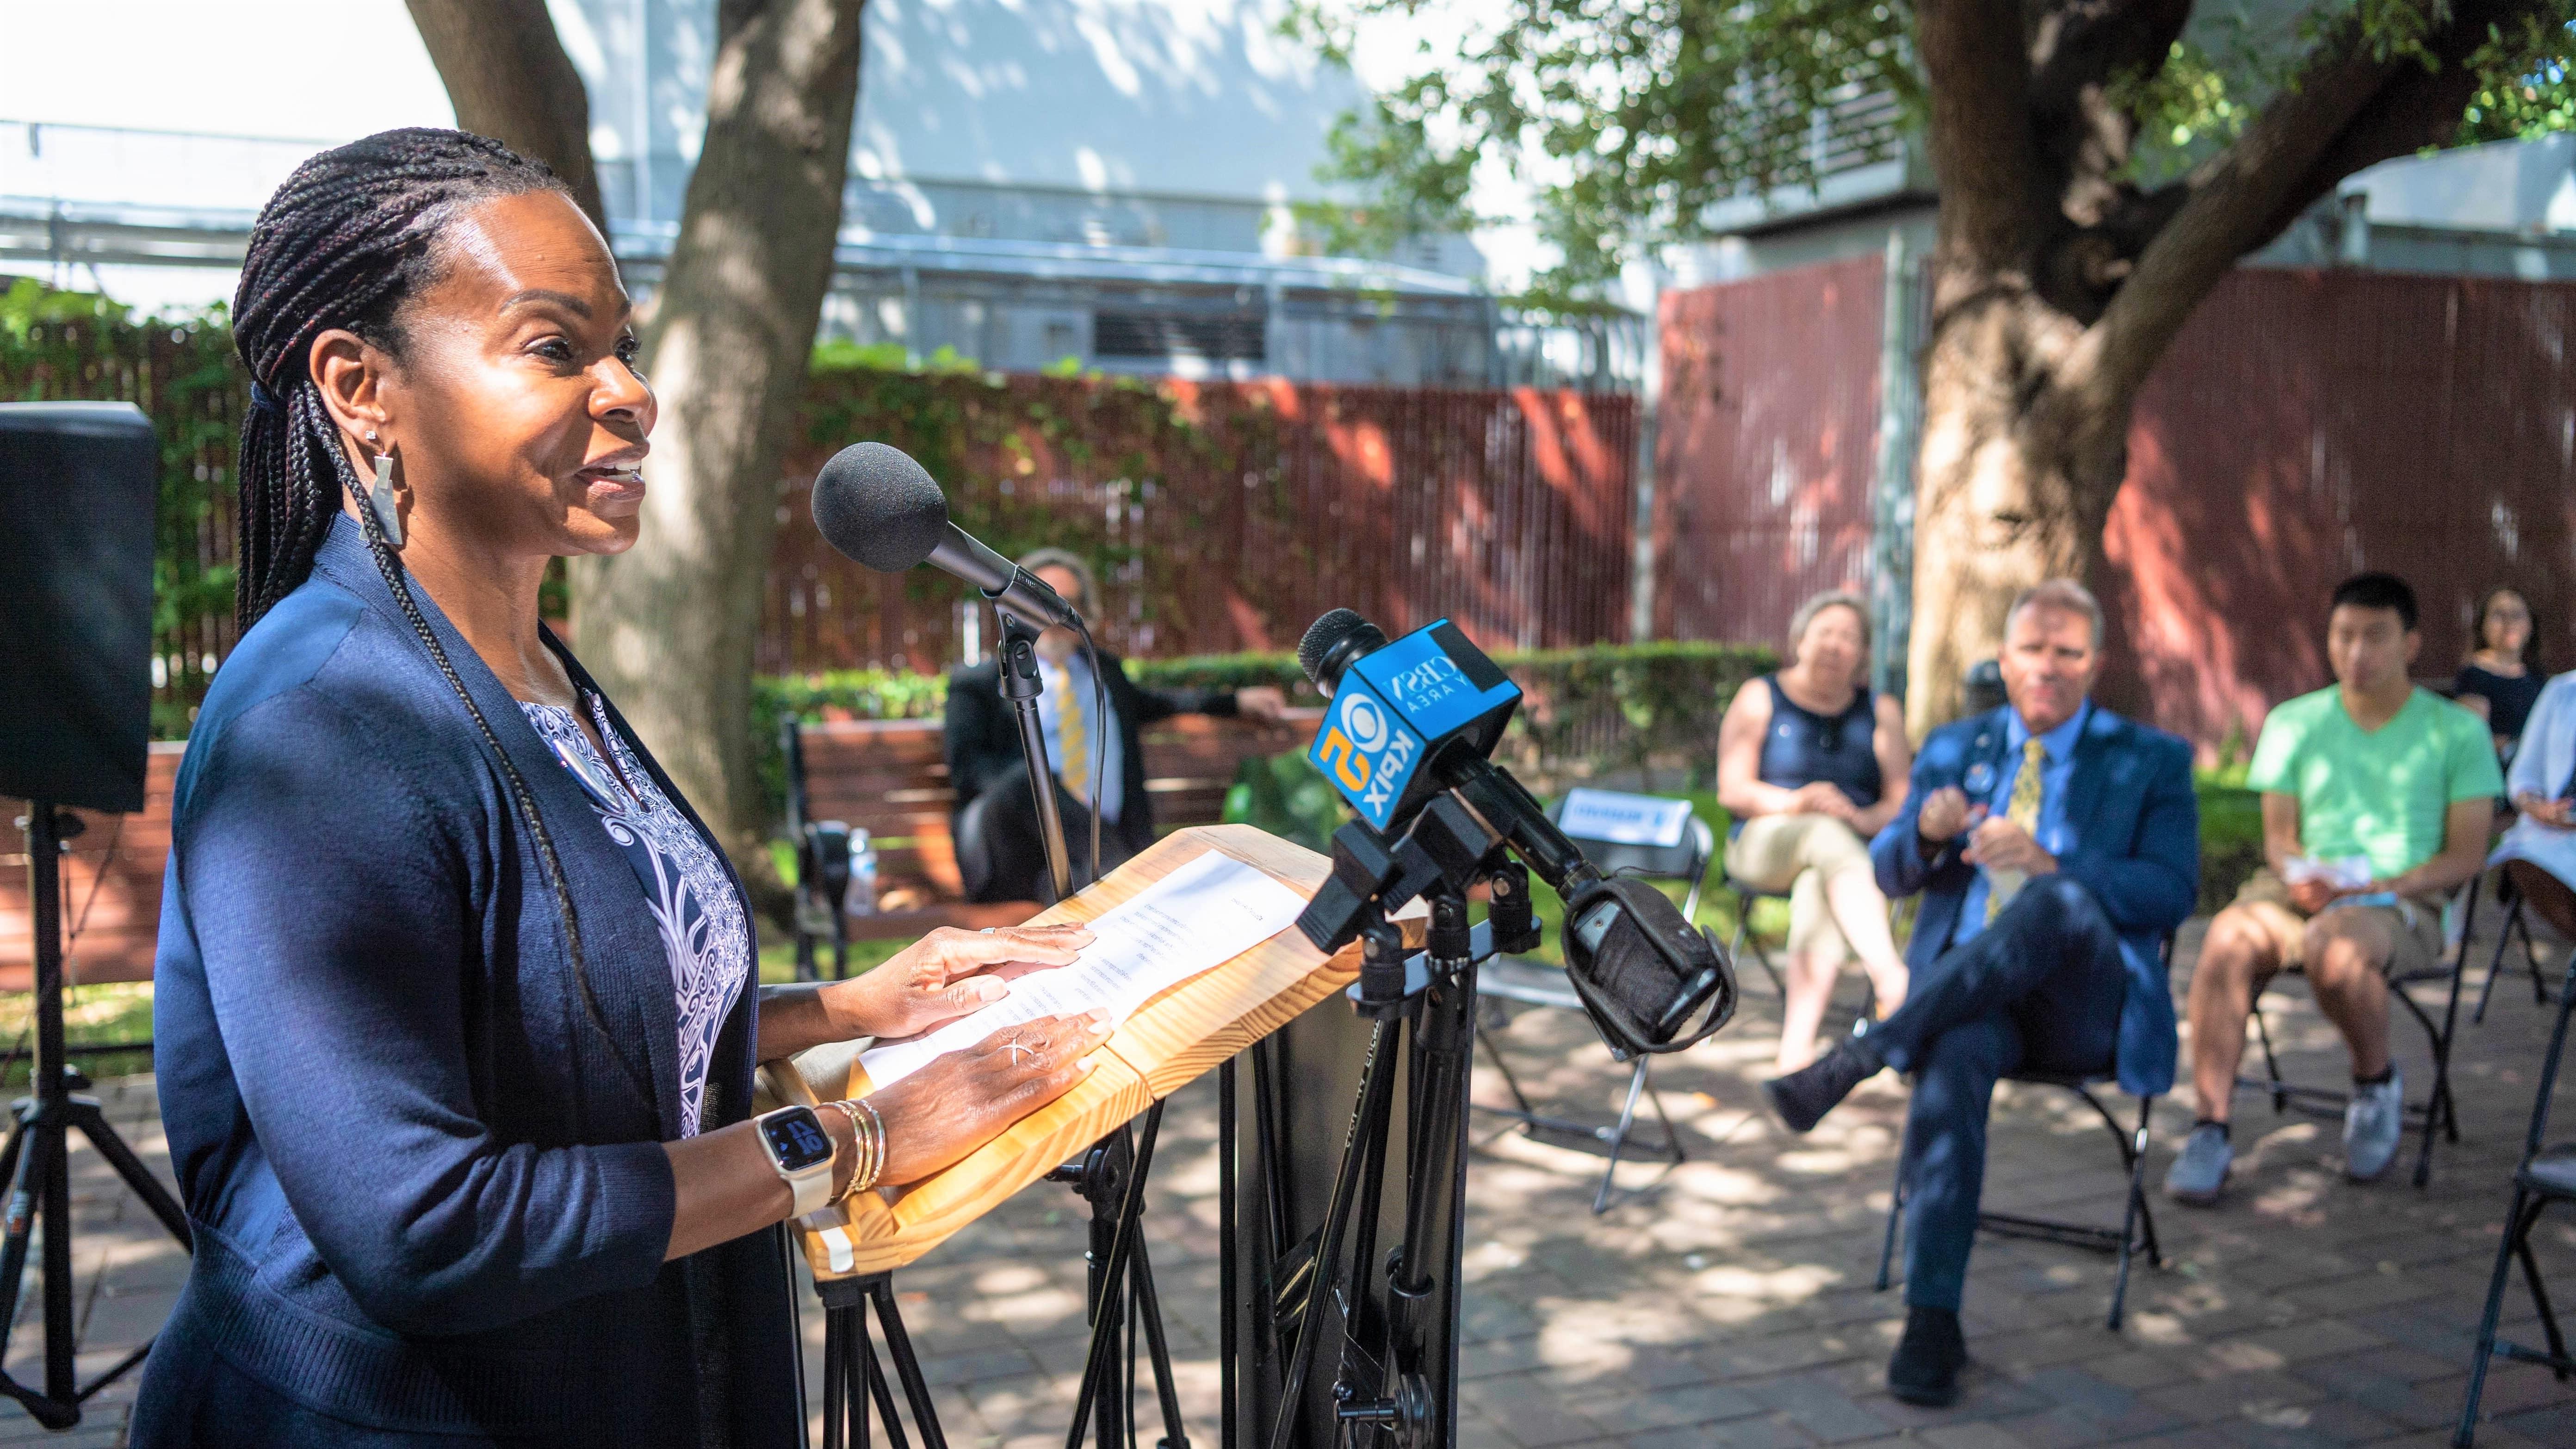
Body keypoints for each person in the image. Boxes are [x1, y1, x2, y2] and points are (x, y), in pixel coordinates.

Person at [136, 130, 1111, 1448]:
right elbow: (426, 1221)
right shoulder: (319, 726)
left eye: (626, 346)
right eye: (556, 348)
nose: (632, 393)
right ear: (360, 384)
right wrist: (854, 1136)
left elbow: (571, 1022)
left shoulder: (536, 668)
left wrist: (851, 1002)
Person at [1761, 580, 2198, 1408]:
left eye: (2068, 652)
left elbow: (2171, 892)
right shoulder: (1958, 744)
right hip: (1974, 1004)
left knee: (2057, 900)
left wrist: (2050, 863)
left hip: (2083, 1009)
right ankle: (1931, 1318)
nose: (2048, 667)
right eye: (2032, 649)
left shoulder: (2151, 758)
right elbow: (1888, 871)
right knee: (1956, 1051)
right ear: (2004, 658)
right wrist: (1924, 833)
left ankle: (1866, 1051)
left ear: (2094, 663)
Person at [2166, 572, 2502, 1207]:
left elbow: (2466, 855)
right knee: (2227, 937)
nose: (2356, 653)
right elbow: (2279, 839)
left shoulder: (2456, 732)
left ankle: (2375, 1084)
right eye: (2343, 636)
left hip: (2405, 898)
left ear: (2411, 644)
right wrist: (2303, 874)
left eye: (2375, 637)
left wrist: (2385, 884)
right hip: (2304, 889)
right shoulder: (2296, 722)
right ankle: (2210, 1126)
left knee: (2337, 949)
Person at [944, 547, 1285, 902]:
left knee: (1078, 879)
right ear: (1014, 610)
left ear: (1083, 613)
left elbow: (1159, 703)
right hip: (1013, 852)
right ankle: (1122, 880)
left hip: (1095, 849)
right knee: (1027, 780)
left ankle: (1106, 876)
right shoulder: (978, 685)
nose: (1051, 617)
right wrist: (1056, 800)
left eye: (1065, 604)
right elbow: (968, 771)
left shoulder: (1102, 671)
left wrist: (1236, 701)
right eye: (1038, 602)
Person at [1716, 589, 1913, 1070]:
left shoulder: (1881, 710)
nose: (1834, 646)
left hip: (1847, 855)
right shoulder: (1761, 696)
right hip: (1765, 838)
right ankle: (1892, 978)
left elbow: (1902, 800)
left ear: (1863, 654)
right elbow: (1732, 790)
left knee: (1817, 887)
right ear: (1800, 640)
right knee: (1821, 834)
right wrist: (1797, 803)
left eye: (1849, 638)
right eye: (1825, 633)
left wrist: (1865, 819)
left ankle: (1795, 1052)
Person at [2493, 669, 2576, 942]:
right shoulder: (2563, 689)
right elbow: (2523, 776)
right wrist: (2539, 808)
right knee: (2525, 861)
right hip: (2554, 837)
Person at [2454, 586, 2544, 759]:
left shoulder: (2536, 676)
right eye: (2499, 615)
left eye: (2517, 615)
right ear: (2483, 625)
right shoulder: (2474, 676)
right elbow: (2474, 741)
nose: (2509, 623)